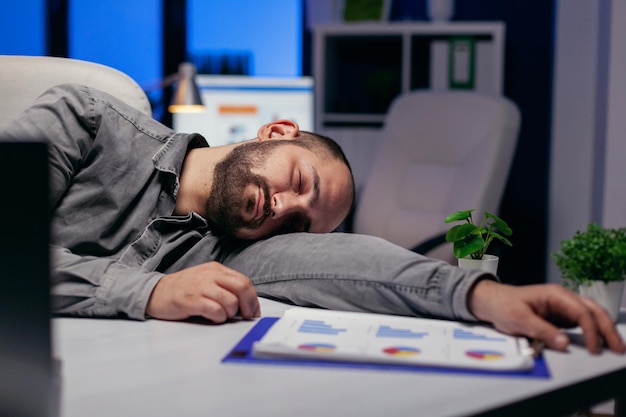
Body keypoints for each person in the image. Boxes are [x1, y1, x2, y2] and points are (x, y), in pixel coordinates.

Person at [4, 83, 624, 356]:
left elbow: (346, 261)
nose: (285, 208)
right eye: (300, 182)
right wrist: (152, 290)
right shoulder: (86, 118)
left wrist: (484, 296)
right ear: (275, 133)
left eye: (299, 221)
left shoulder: (226, 251)